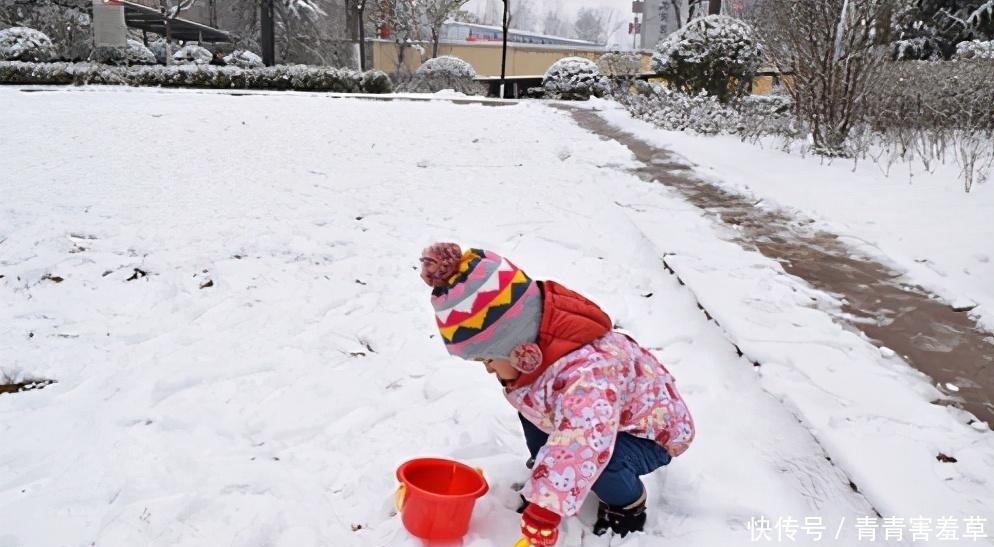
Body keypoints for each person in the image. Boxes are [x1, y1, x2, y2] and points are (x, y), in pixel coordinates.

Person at [419, 242, 695, 546]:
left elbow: (584, 439)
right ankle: (551, 470)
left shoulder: (586, 376)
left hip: (649, 434)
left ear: (519, 348)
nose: (487, 370)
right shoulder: (543, 357)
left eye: (488, 359)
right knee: (533, 404)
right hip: (602, 421)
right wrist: (548, 477)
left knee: (604, 460)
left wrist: (546, 506)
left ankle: (627, 502)